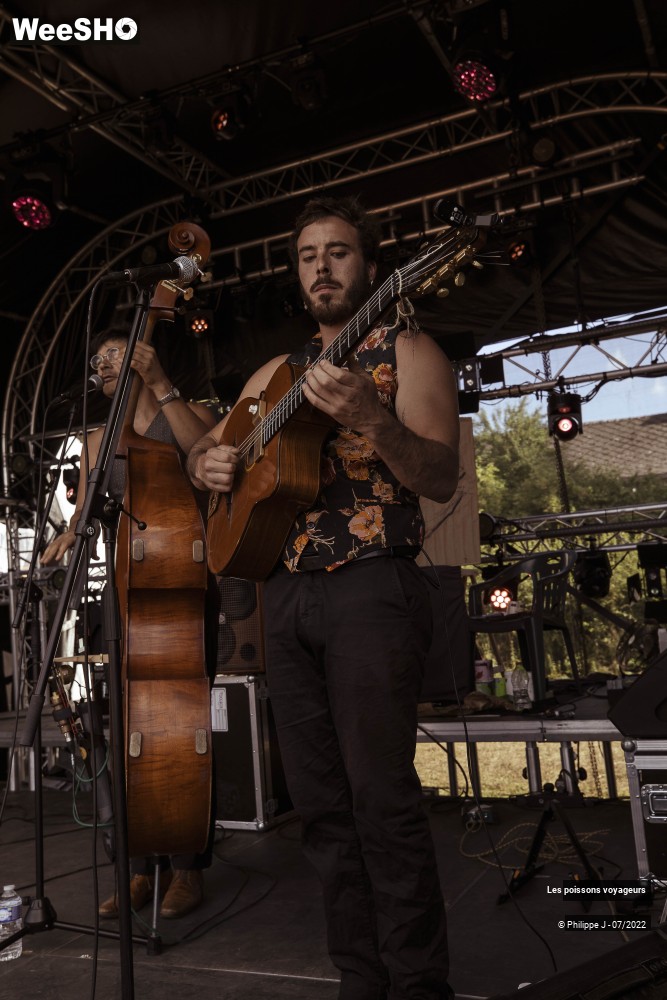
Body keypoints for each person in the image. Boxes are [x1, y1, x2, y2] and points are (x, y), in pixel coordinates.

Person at [187, 195, 459, 999]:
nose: (321, 267)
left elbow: (439, 478)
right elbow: (214, 445)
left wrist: (374, 418)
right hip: (285, 597)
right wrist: (210, 461)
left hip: (371, 588)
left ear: (369, 268)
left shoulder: (409, 351)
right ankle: (359, 978)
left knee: (380, 800)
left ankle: (417, 985)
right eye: (308, 256)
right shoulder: (275, 374)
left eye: (337, 252)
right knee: (320, 809)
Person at [42, 328, 218, 920]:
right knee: (128, 742)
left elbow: (207, 459)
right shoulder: (97, 440)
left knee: (184, 735)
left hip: (185, 588)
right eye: (99, 361)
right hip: (127, 594)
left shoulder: (185, 413)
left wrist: (164, 384)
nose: (105, 365)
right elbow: (89, 511)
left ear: (142, 357)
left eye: (116, 355)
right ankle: (139, 868)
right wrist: (71, 530)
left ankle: (188, 870)